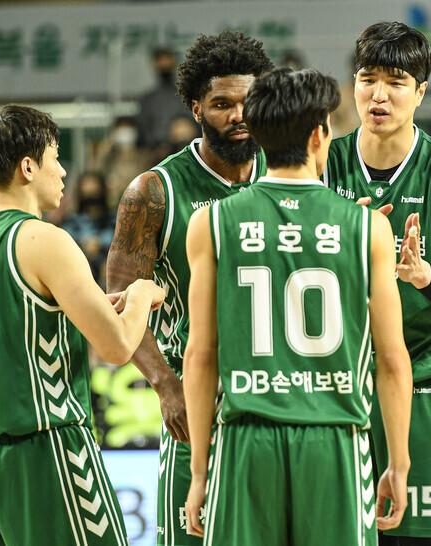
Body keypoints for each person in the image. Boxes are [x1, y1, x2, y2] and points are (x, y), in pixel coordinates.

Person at [183, 67, 412, 546]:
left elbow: (201, 354)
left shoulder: (211, 223)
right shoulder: (369, 228)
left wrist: (200, 471)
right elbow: (391, 359)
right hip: (335, 439)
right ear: (318, 135)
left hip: (246, 440)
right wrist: (398, 461)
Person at [0, 104, 166, 546]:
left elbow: (13, 324)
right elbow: (117, 347)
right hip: (45, 449)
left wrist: (88, 308)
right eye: (56, 158)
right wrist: (141, 294)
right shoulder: (44, 239)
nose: (63, 172)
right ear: (28, 167)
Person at [106, 30, 273, 546]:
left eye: (248, 102)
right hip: (197, 398)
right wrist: (165, 385)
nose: (239, 115)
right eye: (222, 104)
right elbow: (118, 305)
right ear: (197, 108)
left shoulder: (291, 174)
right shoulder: (154, 191)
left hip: (278, 399)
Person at [322, 21, 431, 545]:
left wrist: (424, 276)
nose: (378, 95)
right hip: (340, 386)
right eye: (367, 79)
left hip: (425, 382)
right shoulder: (322, 164)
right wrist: (339, 246)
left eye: (396, 82)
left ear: (421, 92)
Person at [137, 47, 191, 150]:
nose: (164, 64)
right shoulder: (147, 100)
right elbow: (143, 132)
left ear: (174, 62)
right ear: (154, 64)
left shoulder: (187, 94)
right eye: (160, 60)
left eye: (167, 59)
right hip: (155, 153)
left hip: (184, 150)